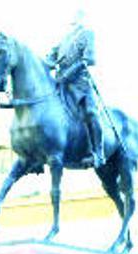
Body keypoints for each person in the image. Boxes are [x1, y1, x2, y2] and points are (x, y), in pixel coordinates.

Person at [47, 9, 105, 169]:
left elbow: (89, 59)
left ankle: (98, 153)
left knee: (91, 114)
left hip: (80, 83)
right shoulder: (64, 39)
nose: (71, 18)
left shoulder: (87, 33)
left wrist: (68, 73)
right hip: (62, 84)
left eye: (75, 15)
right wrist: (43, 64)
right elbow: (51, 56)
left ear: (81, 18)